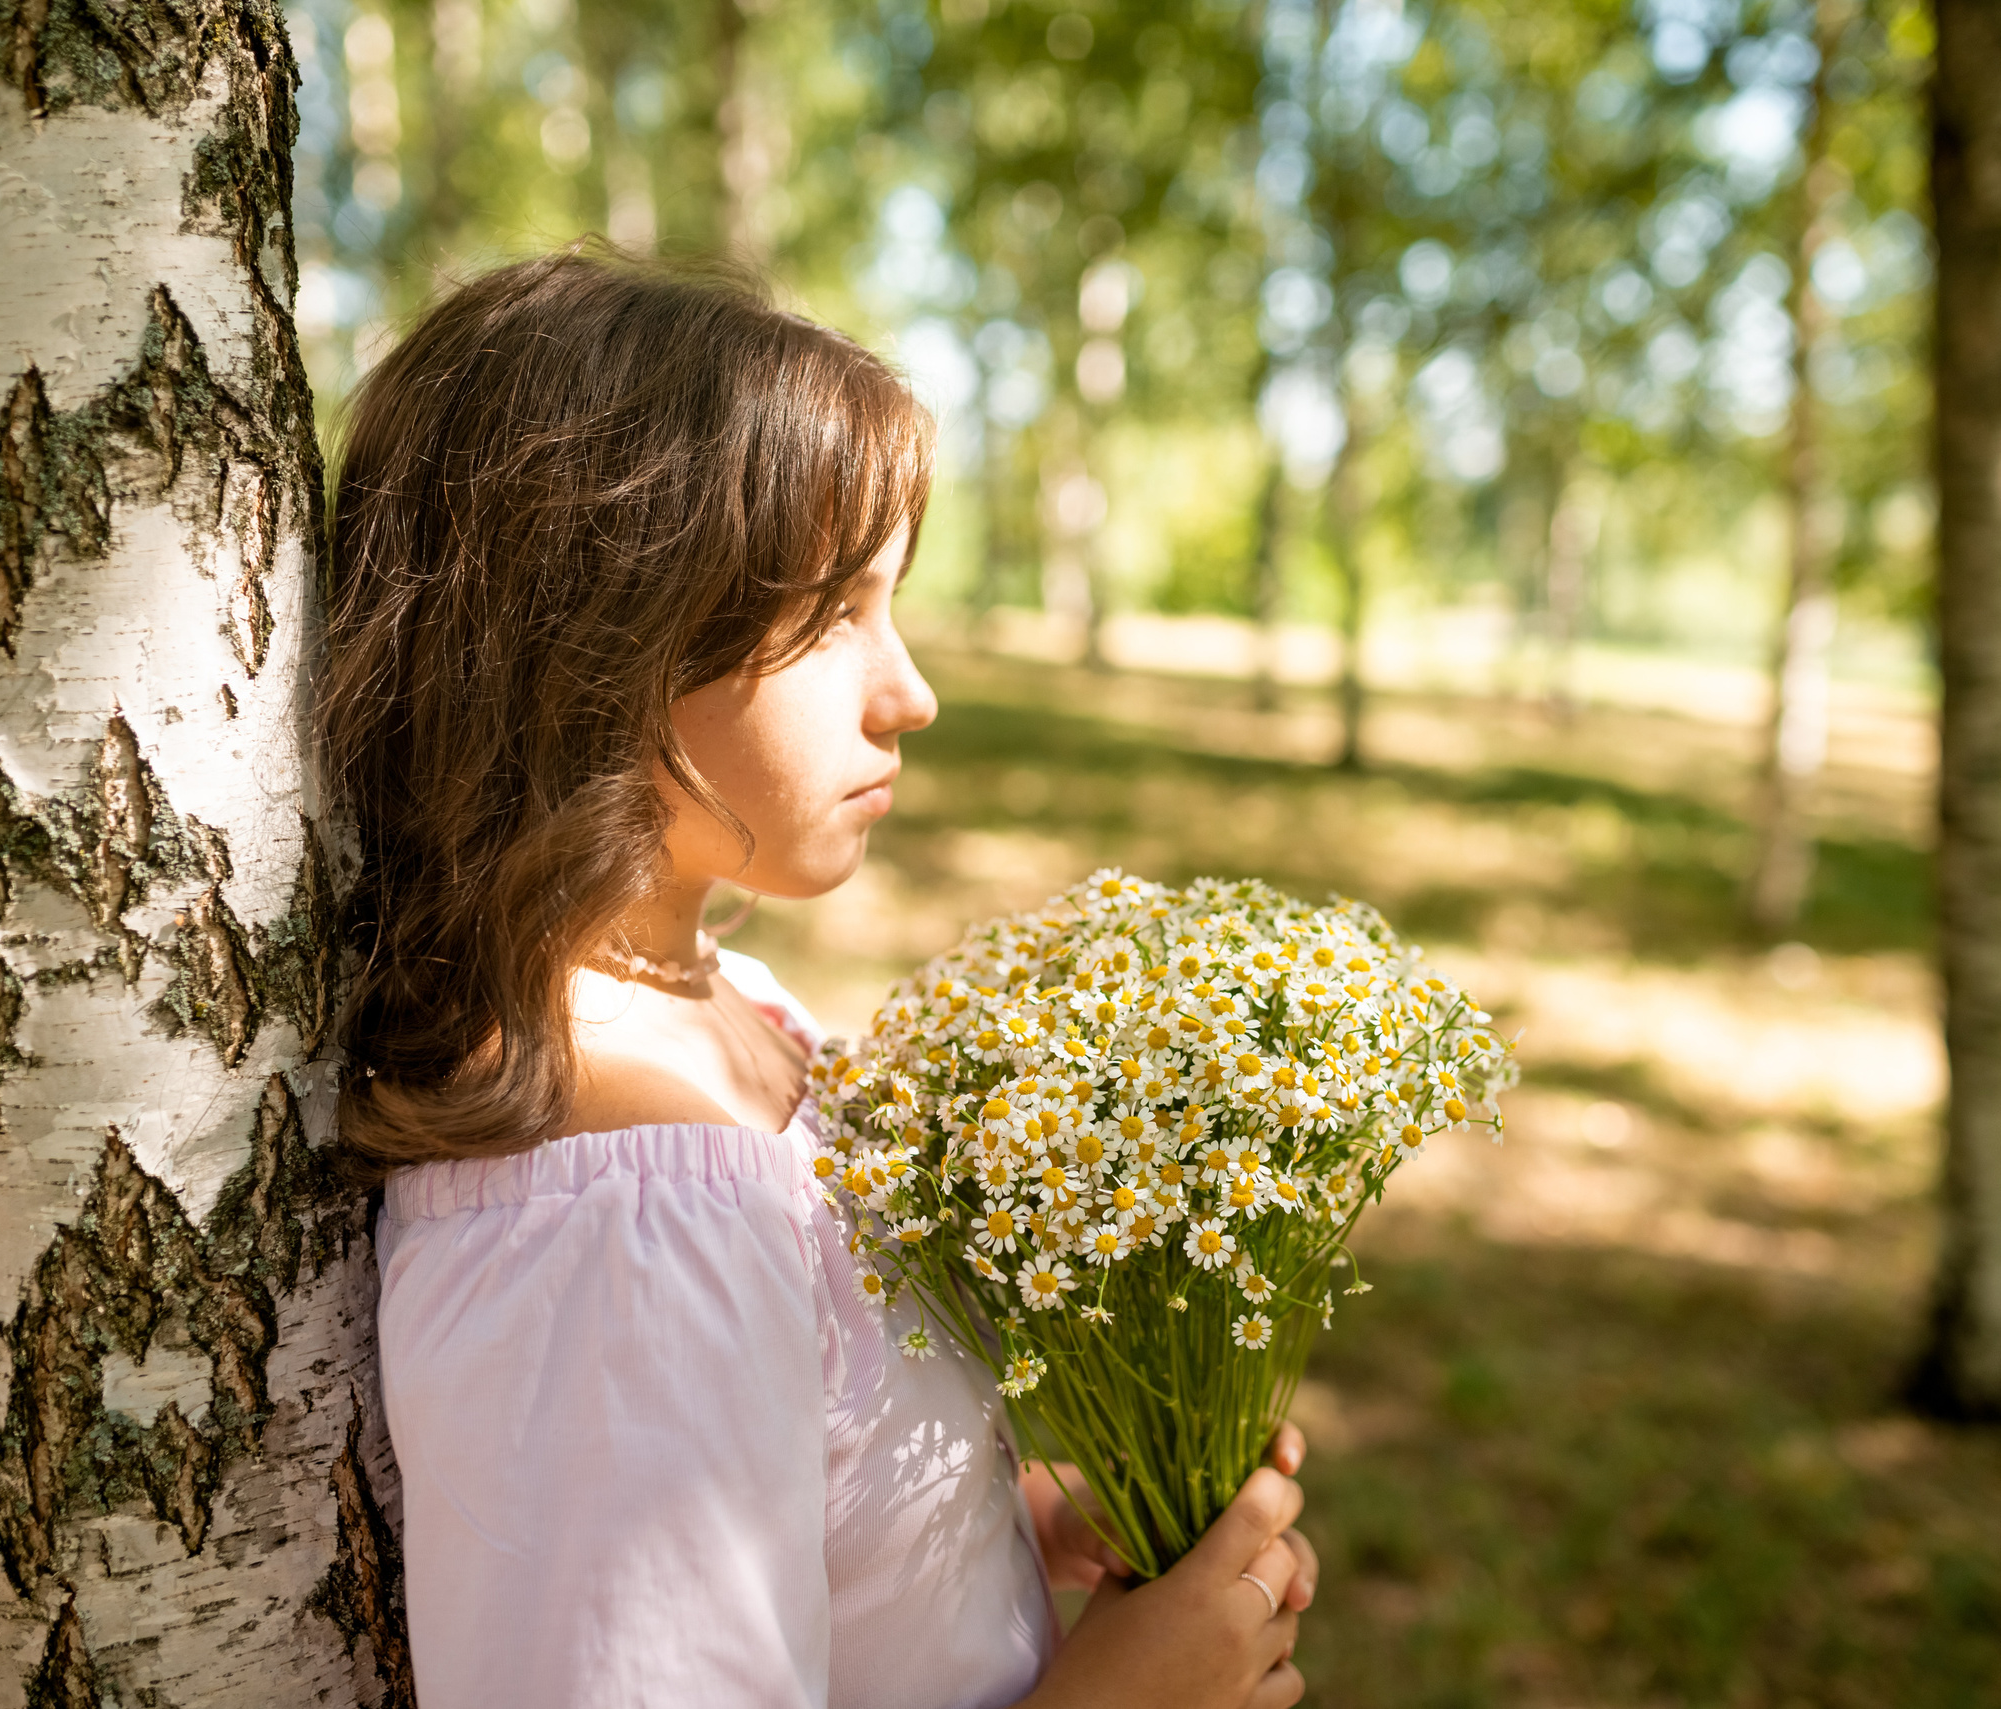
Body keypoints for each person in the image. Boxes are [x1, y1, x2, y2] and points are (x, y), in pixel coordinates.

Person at [320, 247, 1321, 1709]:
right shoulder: (625, 1209)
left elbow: (787, 1499)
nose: (909, 690)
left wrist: (1040, 1525)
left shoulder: (731, 1019)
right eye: (834, 615)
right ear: (603, 644)